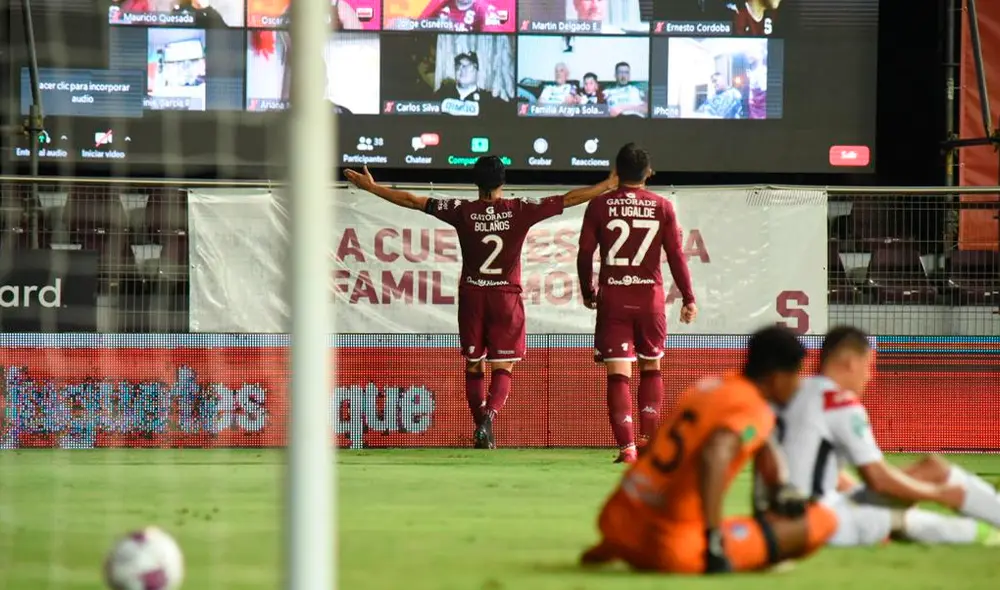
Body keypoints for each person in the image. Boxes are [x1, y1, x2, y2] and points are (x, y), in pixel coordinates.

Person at [345, 158, 617, 448]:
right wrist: (608, 184)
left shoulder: (461, 210)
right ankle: (489, 417)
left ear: (475, 182)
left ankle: (481, 427)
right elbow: (569, 199)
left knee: (474, 364)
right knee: (503, 365)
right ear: (503, 182)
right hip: (505, 298)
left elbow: (412, 200)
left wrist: (372, 188)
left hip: (473, 296)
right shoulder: (520, 209)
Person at [581, 325, 837, 574]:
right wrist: (713, 538)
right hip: (669, 545)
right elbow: (716, 453)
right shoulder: (753, 409)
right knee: (824, 520)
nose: (799, 384)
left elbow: (759, 439)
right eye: (797, 374)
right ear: (777, 377)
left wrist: (780, 487)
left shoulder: (708, 388)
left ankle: (617, 548)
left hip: (618, 523)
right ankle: (723, 544)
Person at [778, 326, 1000, 546]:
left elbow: (811, 467)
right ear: (852, 363)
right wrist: (939, 494)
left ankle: (988, 528)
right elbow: (878, 480)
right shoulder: (839, 403)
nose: (870, 376)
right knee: (927, 486)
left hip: (787, 517)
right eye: (869, 366)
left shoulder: (795, 394)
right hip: (824, 520)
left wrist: (859, 495)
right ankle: (989, 527)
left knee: (924, 479)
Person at [577, 143, 696, 464]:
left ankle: (627, 447)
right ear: (648, 173)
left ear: (616, 172)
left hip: (614, 299)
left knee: (618, 372)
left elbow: (585, 253)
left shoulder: (599, 205)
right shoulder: (663, 206)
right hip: (649, 301)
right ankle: (648, 441)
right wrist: (688, 297)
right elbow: (676, 256)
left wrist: (588, 290)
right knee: (651, 365)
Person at [435, 52, 503, 117]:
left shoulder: (487, 101)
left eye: (467, 66)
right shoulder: (443, 94)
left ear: (477, 71)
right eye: (458, 66)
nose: (461, 70)